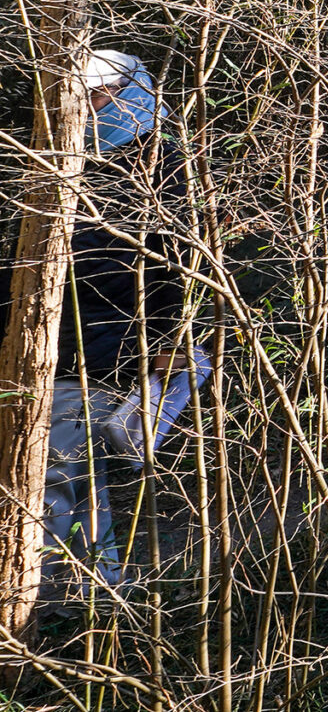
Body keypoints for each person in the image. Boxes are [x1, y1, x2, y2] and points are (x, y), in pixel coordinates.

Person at [43, 51, 208, 597]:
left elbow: (185, 273)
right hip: (65, 351)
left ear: (130, 93)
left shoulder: (168, 173)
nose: (90, 107)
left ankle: (74, 602)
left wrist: (165, 346)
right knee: (65, 463)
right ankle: (83, 599)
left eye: (101, 94)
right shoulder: (55, 172)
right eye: (84, 96)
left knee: (60, 463)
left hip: (108, 352)